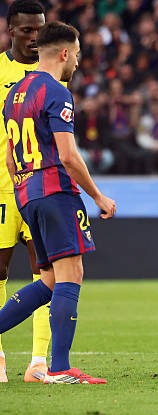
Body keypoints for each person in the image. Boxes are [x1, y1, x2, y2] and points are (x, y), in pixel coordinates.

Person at [1, 21, 116, 384]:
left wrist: (25, 187)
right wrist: (97, 195)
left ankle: (58, 364)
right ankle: (61, 367)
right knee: (71, 274)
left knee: (50, 279)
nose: (78, 62)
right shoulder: (56, 91)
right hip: (55, 191)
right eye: (77, 55)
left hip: (26, 193)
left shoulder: (15, 93)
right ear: (65, 53)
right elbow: (67, 155)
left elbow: (10, 156)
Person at [0, 0, 50, 383]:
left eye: (40, 30)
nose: (35, 37)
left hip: (40, 186)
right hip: (2, 187)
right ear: (10, 31)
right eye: (27, 30)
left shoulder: (53, 72)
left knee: (45, 271)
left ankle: (38, 362)